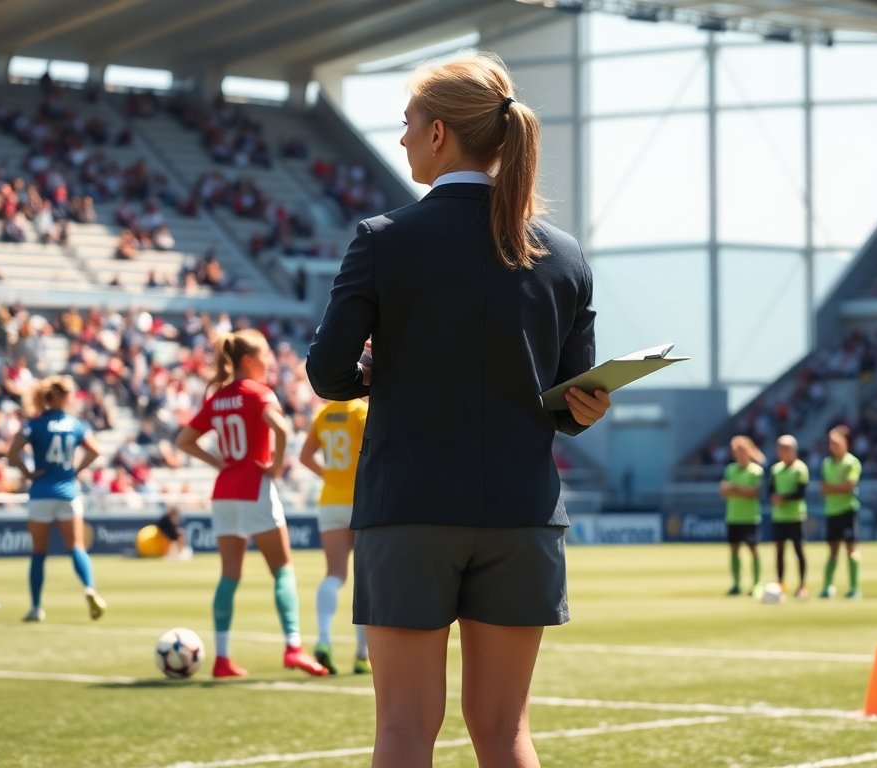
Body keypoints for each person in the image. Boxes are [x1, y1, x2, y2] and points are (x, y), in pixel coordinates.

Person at [303, 53, 609, 768]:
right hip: (523, 511)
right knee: (506, 734)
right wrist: (583, 413)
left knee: (405, 729)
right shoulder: (564, 255)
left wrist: (375, 372)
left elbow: (326, 373)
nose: (403, 138)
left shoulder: (385, 239)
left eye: (407, 123)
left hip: (409, 506)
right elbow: (572, 401)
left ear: (439, 133)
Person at [177, 330, 328, 679]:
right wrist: (274, 467)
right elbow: (283, 429)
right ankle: (293, 647)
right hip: (255, 488)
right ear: (249, 360)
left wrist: (217, 463)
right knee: (283, 569)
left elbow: (184, 440)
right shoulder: (259, 394)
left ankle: (222, 658)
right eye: (265, 355)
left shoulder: (218, 397)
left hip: (224, 492)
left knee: (229, 575)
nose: (271, 360)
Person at [7, 376, 105, 622]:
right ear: (63, 397)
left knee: (39, 553)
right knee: (76, 548)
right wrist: (76, 471)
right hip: (68, 492)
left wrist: (27, 472)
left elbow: (12, 452)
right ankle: (89, 588)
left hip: (41, 492)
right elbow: (95, 451)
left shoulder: (35, 424)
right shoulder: (75, 425)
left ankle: (36, 607)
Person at [300, 396, 372, 674]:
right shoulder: (360, 411)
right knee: (365, 578)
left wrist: (330, 476)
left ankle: (324, 640)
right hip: (360, 499)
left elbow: (305, 457)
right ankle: (361, 656)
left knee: (334, 574)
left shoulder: (324, 413)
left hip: (330, 500)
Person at [818, 426, 861, 599]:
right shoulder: (826, 463)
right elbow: (823, 489)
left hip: (847, 511)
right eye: (831, 443)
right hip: (831, 511)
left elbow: (849, 486)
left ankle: (854, 588)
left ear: (845, 443)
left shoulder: (852, 462)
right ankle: (827, 587)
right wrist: (838, 488)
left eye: (836, 443)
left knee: (851, 550)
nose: (833, 446)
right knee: (833, 550)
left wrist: (833, 489)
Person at [719, 435, 764, 597]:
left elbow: (753, 493)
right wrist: (736, 490)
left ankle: (757, 583)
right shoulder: (730, 469)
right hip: (733, 516)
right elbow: (723, 491)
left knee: (753, 550)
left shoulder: (755, 471)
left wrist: (735, 488)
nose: (737, 454)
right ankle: (736, 584)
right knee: (734, 551)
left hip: (750, 517)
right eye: (735, 451)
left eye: (740, 450)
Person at [768, 435, 809, 598]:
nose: (783, 451)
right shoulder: (775, 469)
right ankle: (780, 584)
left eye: (786, 448)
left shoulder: (800, 468)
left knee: (798, 551)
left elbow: (801, 493)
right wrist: (774, 498)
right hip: (779, 516)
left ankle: (802, 586)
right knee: (779, 552)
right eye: (780, 448)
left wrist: (783, 498)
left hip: (796, 516)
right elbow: (770, 491)